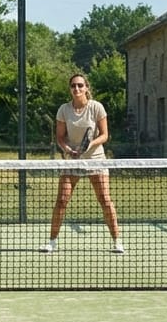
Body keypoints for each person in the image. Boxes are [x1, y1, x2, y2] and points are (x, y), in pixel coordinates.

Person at [41, 73, 123, 254]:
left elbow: (104, 135)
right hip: (72, 160)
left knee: (105, 200)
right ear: (70, 89)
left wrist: (89, 146)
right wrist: (68, 150)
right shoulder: (64, 109)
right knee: (62, 200)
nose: (76, 89)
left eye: (80, 85)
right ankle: (52, 242)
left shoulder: (96, 107)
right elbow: (60, 137)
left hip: (95, 159)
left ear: (86, 87)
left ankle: (117, 241)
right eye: (73, 86)